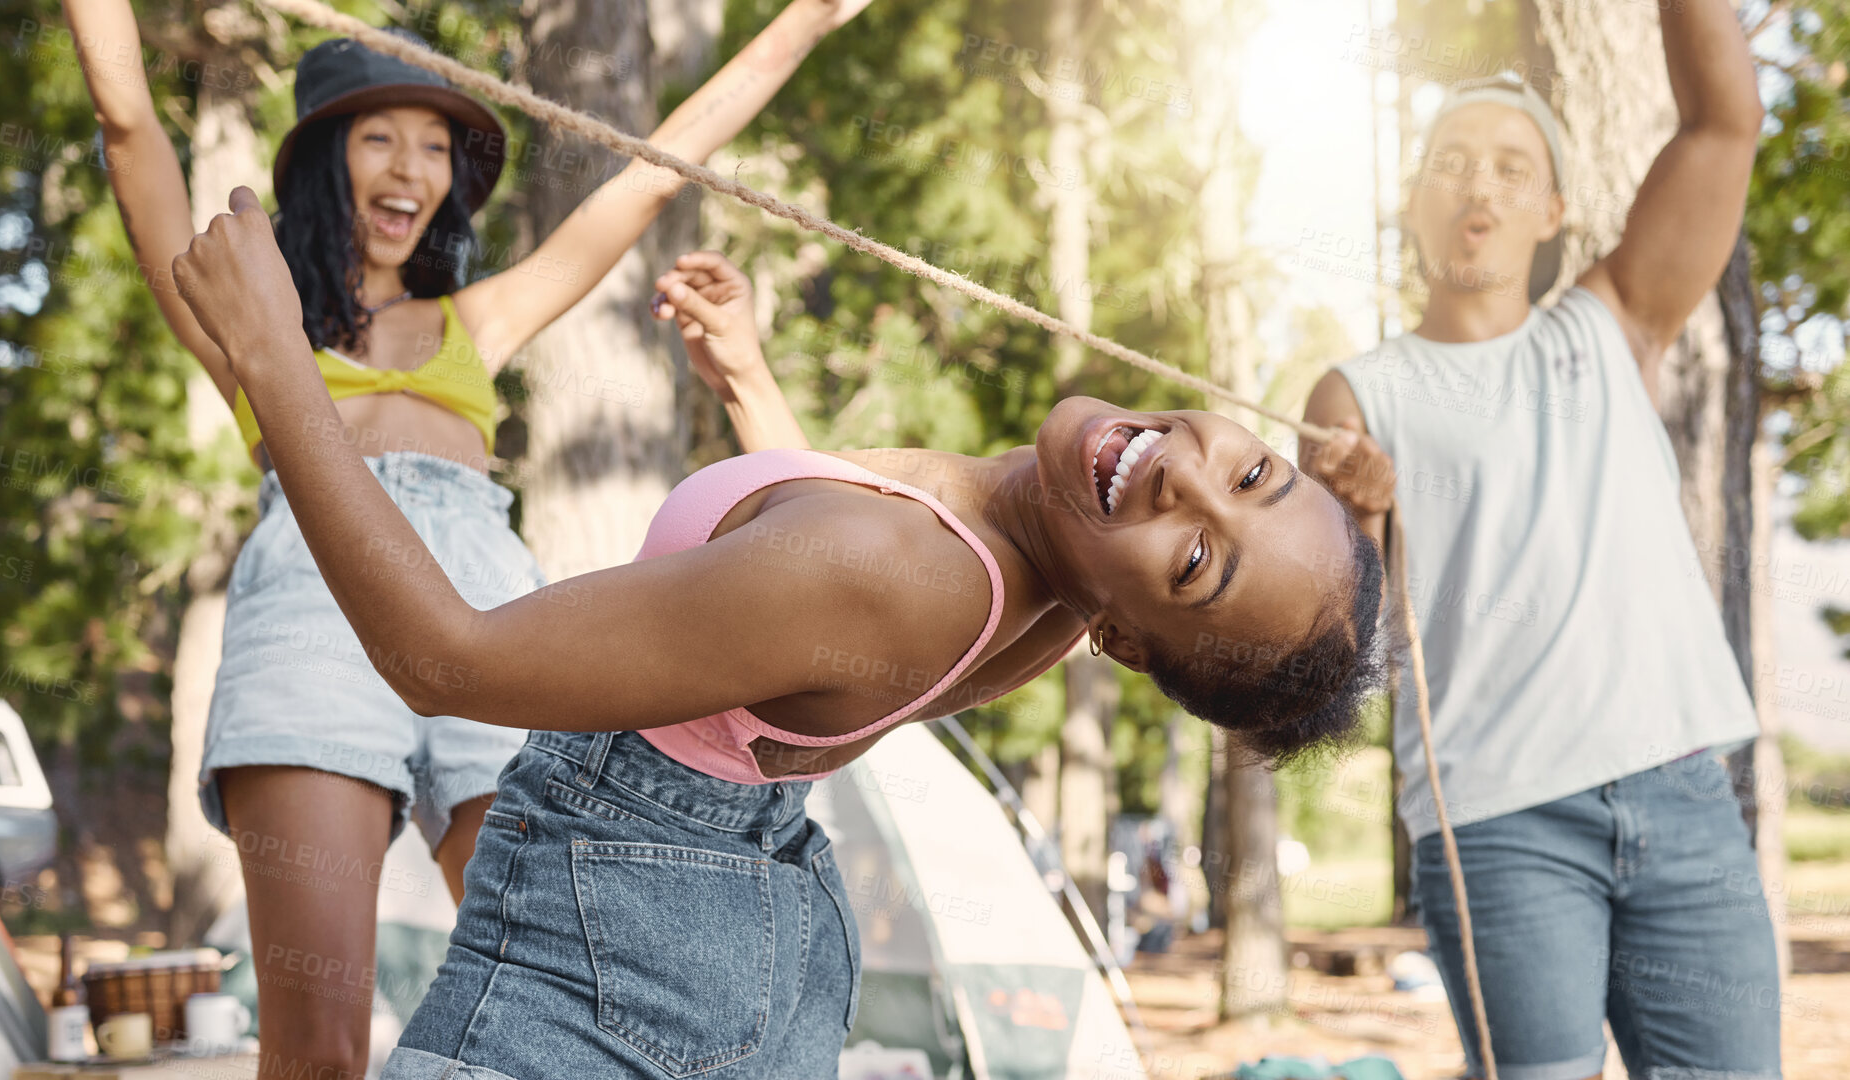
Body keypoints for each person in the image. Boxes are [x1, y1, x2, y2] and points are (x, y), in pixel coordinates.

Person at [170, 180, 1383, 1073]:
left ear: (1125, 636)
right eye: (1260, 477)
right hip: (729, 923)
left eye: (1196, 563)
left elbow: (445, 660)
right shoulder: (1038, 587)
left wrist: (278, 361)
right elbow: (811, 610)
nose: (1192, 480)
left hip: (614, 953)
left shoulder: (895, 572)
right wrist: (754, 387)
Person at [62, 0, 872, 1074]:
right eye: (381, 135)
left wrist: (804, 22)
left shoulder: (474, 324)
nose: (414, 166)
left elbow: (651, 173)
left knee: (562, 991)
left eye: (438, 144)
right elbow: (129, 128)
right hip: (312, 609)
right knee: (318, 1047)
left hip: (492, 605)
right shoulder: (250, 319)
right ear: (324, 161)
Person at [1301, 1, 1775, 1075]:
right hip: (1499, 825)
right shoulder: (1357, 393)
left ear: (1554, 209)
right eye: (1452, 162)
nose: (1481, 183)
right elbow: (1328, 638)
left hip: (1684, 794)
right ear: (1415, 201)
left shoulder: (1614, 325)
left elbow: (1723, 126)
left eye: (1514, 167)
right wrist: (1360, 513)